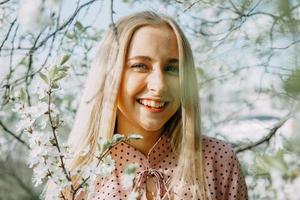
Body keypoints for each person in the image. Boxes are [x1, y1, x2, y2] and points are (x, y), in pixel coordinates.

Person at [46, 11, 248, 200]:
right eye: (140, 66)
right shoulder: (75, 174)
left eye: (172, 68)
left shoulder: (217, 159)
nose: (159, 86)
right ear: (110, 75)